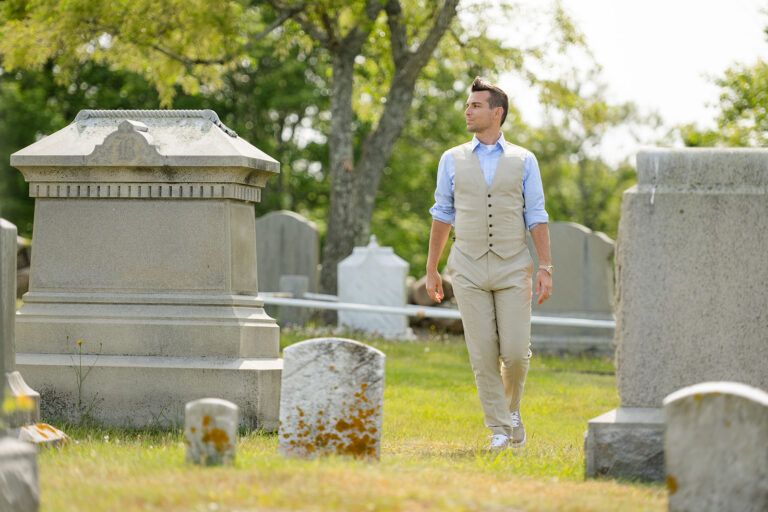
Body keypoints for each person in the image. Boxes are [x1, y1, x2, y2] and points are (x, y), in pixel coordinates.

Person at [426, 77, 553, 451]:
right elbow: (441, 214)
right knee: (482, 351)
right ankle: (499, 428)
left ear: (497, 113)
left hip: (513, 265)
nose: (468, 110)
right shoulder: (450, 159)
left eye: (476, 105)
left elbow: (537, 214)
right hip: (466, 265)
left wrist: (545, 267)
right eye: (467, 105)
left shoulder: (524, 159)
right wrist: (432, 268)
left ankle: (511, 411)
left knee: (514, 352)